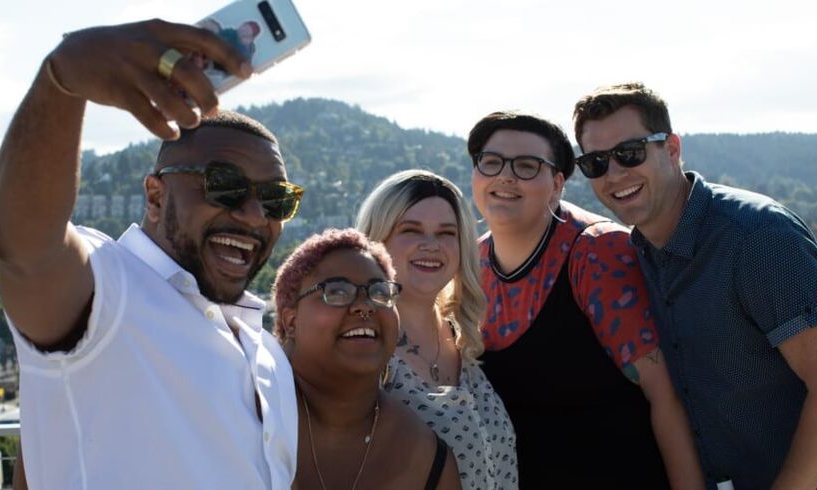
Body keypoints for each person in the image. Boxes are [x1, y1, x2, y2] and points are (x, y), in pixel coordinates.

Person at [0, 19, 300, 488]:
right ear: (155, 196)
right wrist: (63, 79)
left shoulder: (266, 351)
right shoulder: (107, 295)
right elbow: (25, 246)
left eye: (277, 200)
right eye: (226, 186)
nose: (255, 217)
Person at [572, 82, 817, 490]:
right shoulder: (643, 253)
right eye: (595, 163)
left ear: (671, 149)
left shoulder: (754, 236)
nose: (614, 174)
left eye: (629, 153)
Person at [467, 111, 705, 488]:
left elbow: (667, 397)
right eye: (491, 162)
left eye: (528, 166)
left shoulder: (597, 252)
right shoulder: (470, 266)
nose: (505, 176)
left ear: (558, 183)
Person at [357, 169, 519, 489]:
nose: (430, 245)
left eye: (447, 233)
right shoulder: (361, 346)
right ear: (377, 240)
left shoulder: (465, 339)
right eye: (411, 230)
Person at [271, 228, 461, 489]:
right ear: (290, 320)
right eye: (337, 291)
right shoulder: (244, 414)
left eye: (380, 293)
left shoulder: (427, 458)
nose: (365, 305)